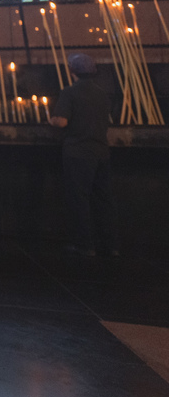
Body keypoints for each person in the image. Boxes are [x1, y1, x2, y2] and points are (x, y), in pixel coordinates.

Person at [50, 53, 117, 257]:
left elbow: (62, 121)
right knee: (103, 200)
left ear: (72, 71)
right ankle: (109, 245)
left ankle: (84, 245)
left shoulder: (69, 93)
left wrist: (50, 119)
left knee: (79, 199)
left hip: (78, 152)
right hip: (101, 152)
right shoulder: (102, 93)